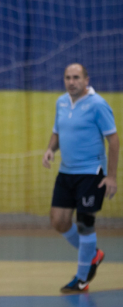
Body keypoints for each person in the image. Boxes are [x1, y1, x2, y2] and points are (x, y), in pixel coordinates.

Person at [42, 63, 119, 294]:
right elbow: (58, 131)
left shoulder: (98, 104)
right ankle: (93, 254)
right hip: (66, 172)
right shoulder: (61, 102)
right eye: (68, 77)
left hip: (91, 172)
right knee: (58, 221)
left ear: (86, 80)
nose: (71, 82)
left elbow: (114, 141)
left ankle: (82, 279)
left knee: (85, 224)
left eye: (76, 77)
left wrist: (111, 176)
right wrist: (50, 149)